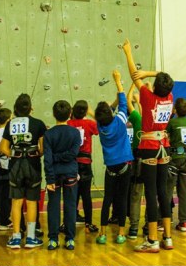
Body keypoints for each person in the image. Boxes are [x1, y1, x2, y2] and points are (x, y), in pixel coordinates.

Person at [122, 38, 175, 252]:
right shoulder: (169, 97)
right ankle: (168, 237)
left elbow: (134, 74)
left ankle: (152, 240)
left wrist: (128, 53)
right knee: (163, 192)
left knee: (151, 193)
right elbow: (166, 77)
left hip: (150, 147)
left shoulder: (147, 97)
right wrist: (152, 74)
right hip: (164, 146)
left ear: (154, 86)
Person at [0, 93, 47, 248]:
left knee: (16, 201)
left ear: (16, 108)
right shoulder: (39, 124)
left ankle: (15, 237)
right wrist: (34, 153)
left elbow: (3, 148)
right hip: (33, 165)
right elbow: (42, 148)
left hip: (15, 166)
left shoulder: (10, 124)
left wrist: (16, 153)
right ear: (30, 108)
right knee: (32, 201)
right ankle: (31, 237)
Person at [95, 70, 134, 244]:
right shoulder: (119, 121)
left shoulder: (100, 126)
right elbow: (124, 103)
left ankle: (102, 233)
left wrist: (115, 102)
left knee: (107, 199)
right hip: (125, 165)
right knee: (122, 198)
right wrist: (118, 81)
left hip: (110, 167)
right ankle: (120, 233)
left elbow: (109, 111)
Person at [44, 100, 81, 251]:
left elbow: (47, 159)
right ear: (70, 114)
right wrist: (60, 157)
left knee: (53, 206)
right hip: (71, 172)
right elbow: (73, 154)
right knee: (70, 206)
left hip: (54, 174)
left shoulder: (49, 134)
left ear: (53, 114)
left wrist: (50, 177)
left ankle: (53, 239)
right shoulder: (75, 132)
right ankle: (70, 239)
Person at [67, 100, 99, 233]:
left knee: (71, 194)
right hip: (85, 163)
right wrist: (91, 113)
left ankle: (68, 222)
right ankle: (88, 224)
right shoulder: (90, 124)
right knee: (86, 195)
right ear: (85, 111)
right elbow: (100, 126)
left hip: (72, 163)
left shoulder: (69, 123)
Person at [165, 98, 186, 232]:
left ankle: (163, 219)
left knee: (168, 190)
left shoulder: (172, 122)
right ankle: (184, 222)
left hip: (175, 158)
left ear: (175, 109)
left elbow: (166, 136)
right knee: (184, 192)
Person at [127, 84, 145, 239]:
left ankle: (134, 228)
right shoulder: (155, 120)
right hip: (155, 158)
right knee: (153, 194)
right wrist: (140, 102)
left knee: (136, 194)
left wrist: (133, 85)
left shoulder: (138, 119)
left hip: (139, 159)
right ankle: (149, 226)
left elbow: (127, 101)